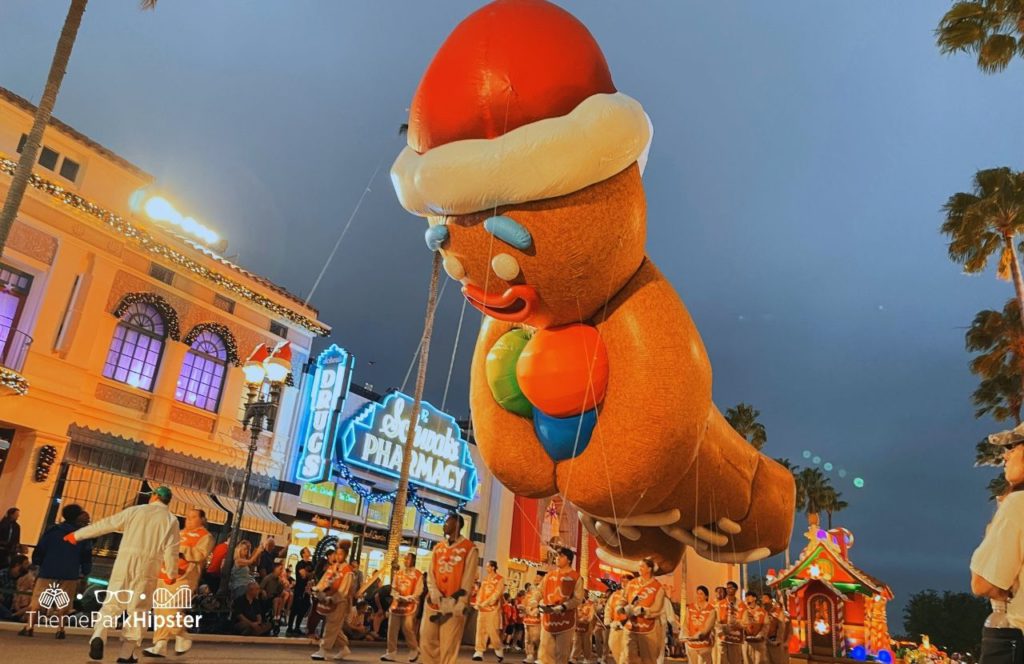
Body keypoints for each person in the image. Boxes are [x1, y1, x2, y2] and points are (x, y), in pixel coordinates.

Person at [67, 486, 180, 663]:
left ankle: (99, 635)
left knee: (112, 603)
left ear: (155, 496)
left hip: (124, 562)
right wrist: (171, 572)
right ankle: (126, 653)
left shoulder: (135, 511)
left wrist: (77, 535)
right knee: (138, 610)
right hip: (149, 566)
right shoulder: (170, 520)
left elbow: (107, 524)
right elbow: (171, 550)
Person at [971, 424, 1024, 663]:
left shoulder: (1018, 505)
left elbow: (982, 583)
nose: (1006, 454)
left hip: (1013, 641)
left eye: (1013, 446)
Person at [144, 507, 213, 657]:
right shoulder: (179, 533)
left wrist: (180, 549)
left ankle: (182, 635)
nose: (189, 520)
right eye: (187, 517)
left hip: (184, 577)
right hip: (164, 574)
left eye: (193, 517)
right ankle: (160, 644)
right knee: (160, 610)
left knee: (171, 610)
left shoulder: (205, 536)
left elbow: (200, 554)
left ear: (202, 519)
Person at [20, 504, 92, 639]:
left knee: (38, 599)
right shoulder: (82, 535)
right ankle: (60, 629)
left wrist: (38, 562)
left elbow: (41, 549)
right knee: (64, 601)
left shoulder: (53, 531)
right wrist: (85, 570)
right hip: (70, 572)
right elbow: (86, 555)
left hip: (49, 569)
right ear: (77, 516)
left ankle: (29, 626)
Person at [420, 513, 479, 664]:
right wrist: (434, 592)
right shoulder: (438, 548)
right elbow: (430, 573)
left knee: (449, 645)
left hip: (454, 604)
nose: (444, 525)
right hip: (434, 602)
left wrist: (461, 602)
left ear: (457, 525)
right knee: (427, 639)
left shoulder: (469, 549)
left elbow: (468, 578)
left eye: (448, 522)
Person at [311, 539, 356, 661]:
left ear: (345, 555)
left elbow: (343, 591)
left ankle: (323, 650)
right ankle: (343, 648)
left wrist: (332, 598)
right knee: (334, 627)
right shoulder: (332, 567)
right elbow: (324, 581)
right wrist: (317, 589)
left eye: (341, 554)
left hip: (340, 603)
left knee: (331, 625)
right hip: (328, 600)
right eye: (337, 553)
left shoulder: (348, 571)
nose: (338, 556)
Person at [539, 547, 584, 664]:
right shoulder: (549, 575)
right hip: (548, 620)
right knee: (545, 653)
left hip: (566, 620)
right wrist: (535, 601)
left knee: (562, 654)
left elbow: (578, 599)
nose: (557, 558)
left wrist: (564, 606)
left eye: (561, 556)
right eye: (557, 556)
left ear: (569, 560)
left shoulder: (576, 577)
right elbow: (539, 591)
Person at [620, 557, 665, 664]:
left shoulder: (658, 587)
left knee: (648, 659)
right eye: (639, 566)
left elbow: (657, 607)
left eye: (642, 566)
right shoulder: (631, 583)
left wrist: (644, 610)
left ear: (649, 569)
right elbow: (623, 599)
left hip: (648, 628)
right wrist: (620, 607)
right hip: (630, 626)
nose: (639, 568)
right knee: (629, 657)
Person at [383, 551, 424, 662]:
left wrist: (410, 597)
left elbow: (418, 591)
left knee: (407, 628)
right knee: (392, 628)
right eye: (405, 559)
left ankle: (414, 648)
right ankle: (391, 652)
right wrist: (398, 596)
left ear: (413, 560)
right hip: (397, 604)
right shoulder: (399, 573)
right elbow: (394, 589)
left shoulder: (418, 575)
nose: (405, 561)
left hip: (410, 605)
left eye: (408, 559)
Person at [474, 560, 506, 661]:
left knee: (493, 630)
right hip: (482, 609)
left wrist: (486, 602)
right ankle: (479, 651)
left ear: (493, 567)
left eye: (488, 566)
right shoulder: (485, 579)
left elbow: (497, 594)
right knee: (480, 629)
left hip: (493, 609)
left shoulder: (500, 579)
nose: (487, 568)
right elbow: (480, 592)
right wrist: (478, 602)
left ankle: (498, 647)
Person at [605, 573, 633, 664]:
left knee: (626, 650)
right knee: (613, 645)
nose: (624, 583)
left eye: (627, 581)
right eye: (622, 581)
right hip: (615, 625)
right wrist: (608, 619)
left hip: (628, 627)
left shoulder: (634, 595)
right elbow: (608, 608)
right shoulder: (615, 594)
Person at [686, 586, 717, 664]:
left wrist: (700, 634)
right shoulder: (690, 607)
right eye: (697, 593)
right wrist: (685, 635)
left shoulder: (711, 610)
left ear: (706, 596)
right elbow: (686, 623)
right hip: (691, 644)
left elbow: (708, 627)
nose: (698, 596)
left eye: (701, 594)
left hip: (704, 644)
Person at [288, 547, 315, 636]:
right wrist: (309, 575)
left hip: (307, 590)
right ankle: (289, 628)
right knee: (295, 608)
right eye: (307, 550)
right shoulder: (300, 563)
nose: (309, 551)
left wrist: (309, 575)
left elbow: (313, 575)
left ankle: (297, 627)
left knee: (303, 609)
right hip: (299, 589)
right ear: (303, 553)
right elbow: (303, 575)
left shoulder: (311, 564)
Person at [715, 586, 743, 664]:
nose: (718, 594)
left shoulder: (738, 604)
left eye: (721, 592)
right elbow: (716, 621)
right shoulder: (717, 605)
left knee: (734, 658)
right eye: (717, 592)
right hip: (720, 636)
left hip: (734, 637)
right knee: (720, 658)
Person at [260, 562, 287, 635]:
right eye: (280, 569)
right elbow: (261, 587)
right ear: (275, 569)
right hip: (268, 597)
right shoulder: (268, 578)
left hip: (275, 597)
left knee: (279, 599)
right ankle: (276, 617)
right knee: (277, 600)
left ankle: (277, 617)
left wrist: (281, 585)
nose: (281, 571)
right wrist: (263, 591)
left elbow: (279, 591)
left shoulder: (278, 579)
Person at [741, 591, 768, 664]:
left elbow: (766, 625)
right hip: (747, 642)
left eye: (749, 596)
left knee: (758, 661)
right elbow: (741, 624)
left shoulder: (762, 611)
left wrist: (761, 635)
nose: (747, 598)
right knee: (747, 661)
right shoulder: (744, 611)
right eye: (746, 597)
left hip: (759, 642)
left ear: (755, 598)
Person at [0, 553, 30, 619]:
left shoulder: (21, 578)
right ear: (17, 565)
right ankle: (11, 616)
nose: (28, 566)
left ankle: (12, 616)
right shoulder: (2, 574)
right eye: (26, 564)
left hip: (9, 608)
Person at [763, 594, 790, 664]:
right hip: (767, 642)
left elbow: (787, 629)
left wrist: (785, 641)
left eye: (765, 598)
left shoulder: (784, 615)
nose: (763, 600)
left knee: (779, 660)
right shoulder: (765, 613)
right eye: (762, 599)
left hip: (778, 643)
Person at [522, 579, 543, 664]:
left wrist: (538, 609)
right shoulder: (527, 596)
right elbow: (524, 606)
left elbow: (542, 605)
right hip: (528, 620)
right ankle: (529, 655)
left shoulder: (542, 596)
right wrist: (524, 609)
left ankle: (539, 655)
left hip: (538, 621)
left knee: (537, 639)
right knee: (528, 639)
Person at [573, 594, 596, 664]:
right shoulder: (576, 604)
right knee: (577, 641)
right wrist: (578, 620)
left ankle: (587, 657)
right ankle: (574, 657)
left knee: (587, 642)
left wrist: (586, 619)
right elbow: (574, 614)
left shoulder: (590, 605)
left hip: (587, 626)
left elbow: (591, 615)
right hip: (578, 626)